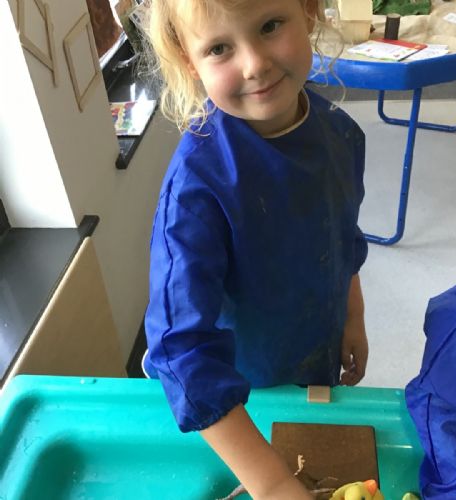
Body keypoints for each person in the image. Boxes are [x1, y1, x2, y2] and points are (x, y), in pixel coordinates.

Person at [143, 0, 369, 497]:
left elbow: (343, 235)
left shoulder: (342, 134)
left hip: (314, 360)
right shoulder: (194, 191)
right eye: (219, 48)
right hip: (238, 408)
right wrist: (272, 484)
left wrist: (353, 315)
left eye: (270, 26)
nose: (254, 64)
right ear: (189, 61)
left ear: (309, 12)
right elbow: (181, 349)